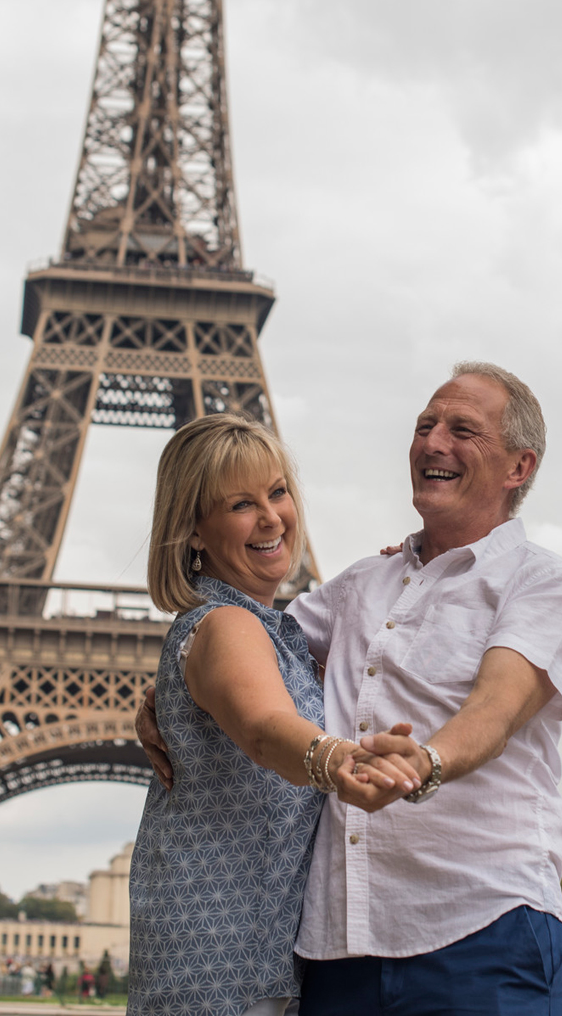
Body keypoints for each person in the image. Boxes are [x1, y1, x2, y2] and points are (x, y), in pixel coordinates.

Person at [139, 363, 562, 1015]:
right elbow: (238, 654)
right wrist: (167, 696)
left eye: (462, 429)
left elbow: (498, 704)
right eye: (425, 425)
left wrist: (428, 759)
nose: (434, 442)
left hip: (480, 921)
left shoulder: (543, 581)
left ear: (519, 468)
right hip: (336, 947)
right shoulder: (358, 585)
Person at [128, 414, 420, 1016]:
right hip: (220, 957)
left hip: (249, 949)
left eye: (278, 492)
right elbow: (263, 730)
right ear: (193, 531)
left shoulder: (272, 630)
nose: (270, 517)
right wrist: (337, 757)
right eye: (240, 504)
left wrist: (407, 565)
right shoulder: (228, 623)